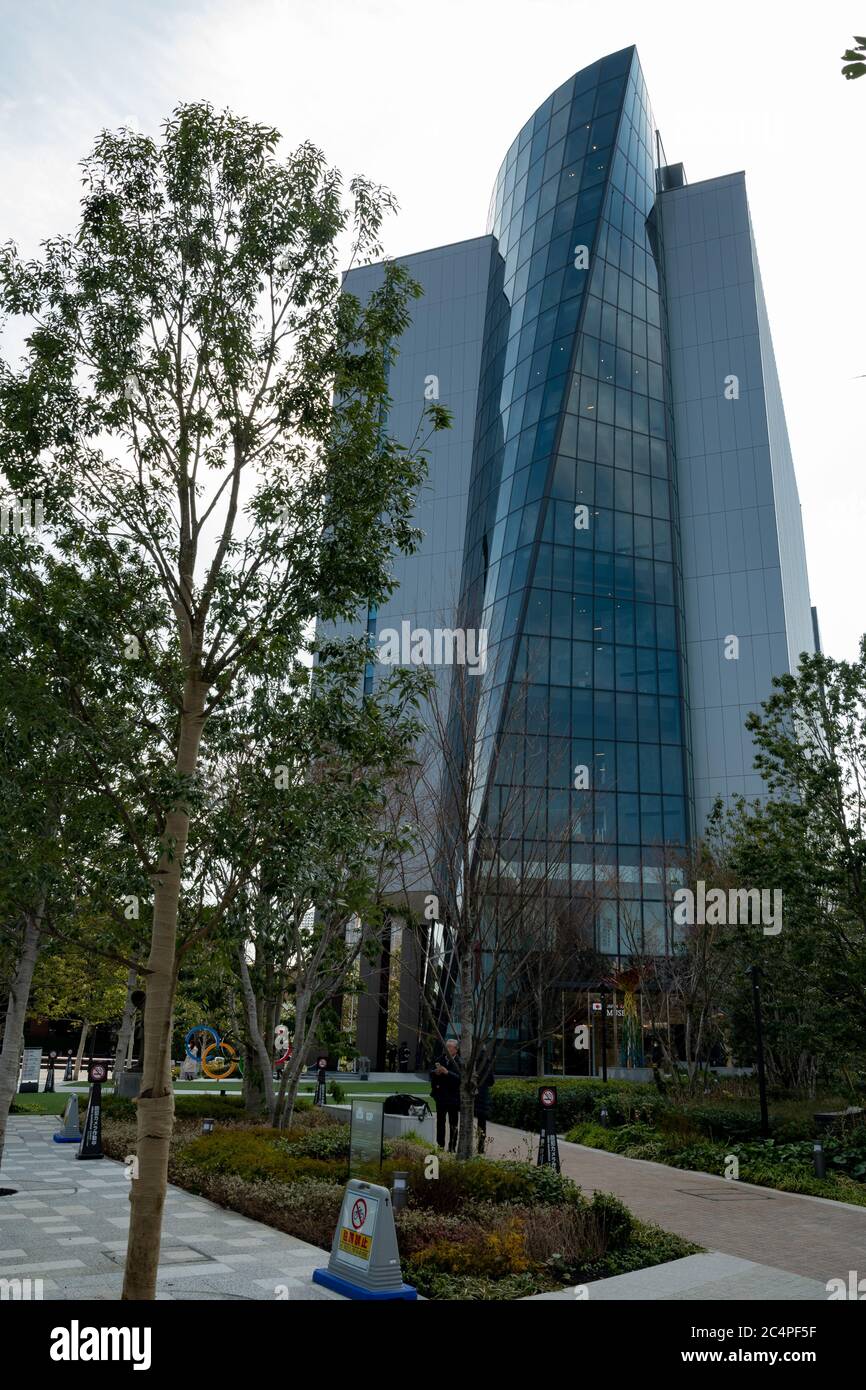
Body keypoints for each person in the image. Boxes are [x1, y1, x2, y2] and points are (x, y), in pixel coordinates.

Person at [430, 1039, 461, 1152]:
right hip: (441, 1097)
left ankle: (452, 1147)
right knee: (440, 1122)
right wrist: (435, 1072)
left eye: (449, 1047)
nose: (446, 1049)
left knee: (453, 1123)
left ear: (455, 1049)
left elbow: (460, 1079)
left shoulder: (459, 1062)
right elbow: (431, 1073)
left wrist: (447, 1073)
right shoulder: (440, 1059)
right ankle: (440, 1146)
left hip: (453, 1098)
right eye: (446, 1046)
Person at [474, 1050, 495, 1154]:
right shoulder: (487, 1066)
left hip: (473, 1095)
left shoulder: (473, 1065)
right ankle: (480, 1147)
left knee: (469, 1121)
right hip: (483, 1096)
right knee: (482, 1124)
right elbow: (491, 1081)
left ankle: (469, 1144)